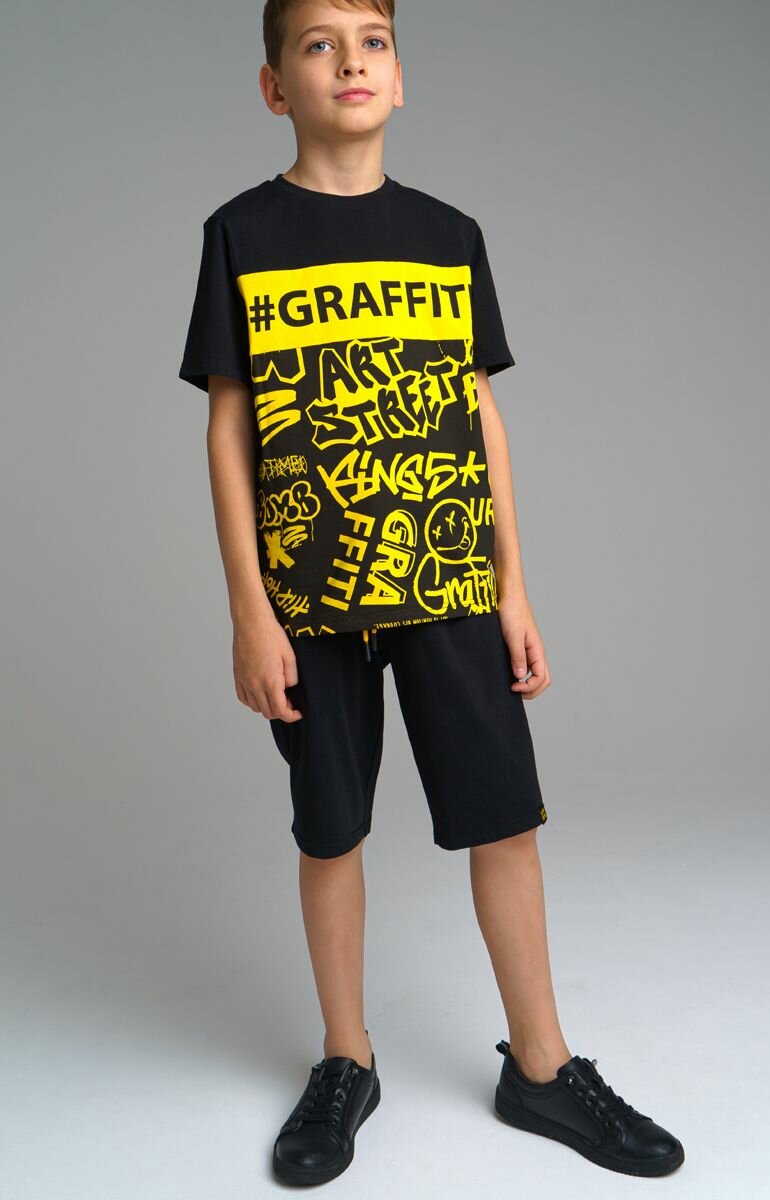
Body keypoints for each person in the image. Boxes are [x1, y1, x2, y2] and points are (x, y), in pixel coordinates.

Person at [178, 0, 684, 1185]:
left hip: (449, 578)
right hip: (312, 596)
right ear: (275, 86)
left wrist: (514, 586)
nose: (350, 61)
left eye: (373, 40)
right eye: (318, 43)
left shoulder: (448, 236)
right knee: (331, 825)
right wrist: (249, 608)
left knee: (504, 816)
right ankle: (345, 1060)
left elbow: (480, 413)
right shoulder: (242, 233)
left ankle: (543, 1068)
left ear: (400, 77)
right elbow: (228, 427)